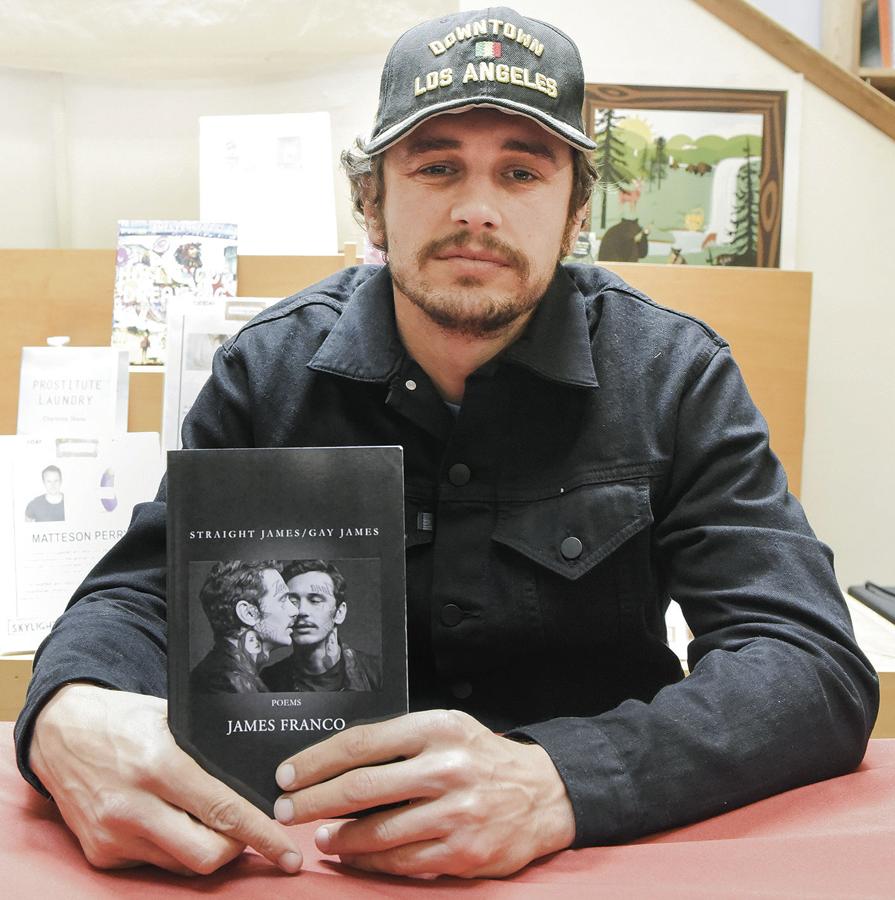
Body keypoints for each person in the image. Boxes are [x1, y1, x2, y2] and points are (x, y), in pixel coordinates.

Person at [15, 6, 877, 882]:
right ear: (372, 203)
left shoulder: (674, 375)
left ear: (575, 210)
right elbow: (143, 598)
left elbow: (808, 665)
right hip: (307, 856)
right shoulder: (267, 372)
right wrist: (65, 712)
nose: (476, 209)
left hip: (598, 855)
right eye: (435, 166)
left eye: (520, 172)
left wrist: (561, 781)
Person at [262, 560, 381, 692]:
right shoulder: (267, 682)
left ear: (339, 613)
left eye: (315, 601)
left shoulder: (378, 672)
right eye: (292, 601)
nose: (301, 611)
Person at [190, 561, 298, 694]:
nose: (295, 611)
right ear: (248, 613)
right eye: (282, 599)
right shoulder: (226, 683)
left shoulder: (234, 675)